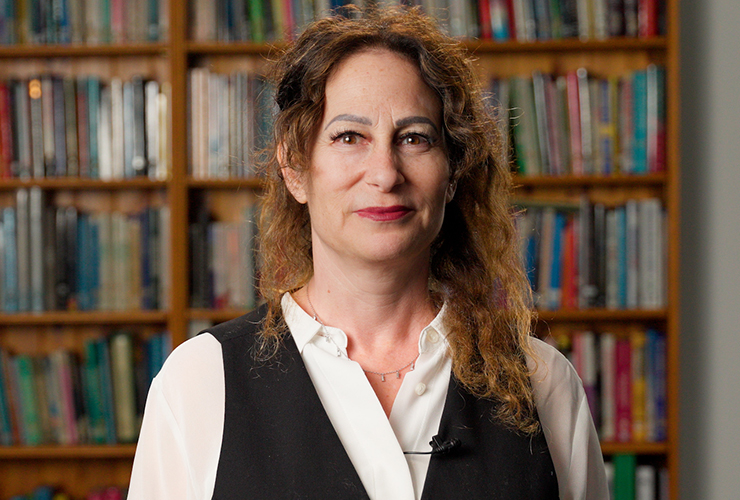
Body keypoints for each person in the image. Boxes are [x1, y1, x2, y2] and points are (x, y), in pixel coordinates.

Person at [128, 7, 607, 499]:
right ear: (295, 168)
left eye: (415, 138)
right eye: (349, 137)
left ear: (452, 172)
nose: (385, 173)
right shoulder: (198, 382)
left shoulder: (543, 382)